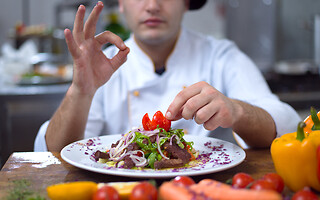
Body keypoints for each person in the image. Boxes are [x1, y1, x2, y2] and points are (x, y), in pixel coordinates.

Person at [34, 0, 300, 152]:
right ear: (122, 5)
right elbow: (53, 154)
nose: (152, 6)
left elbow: (285, 125)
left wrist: (237, 110)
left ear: (186, 3)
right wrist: (80, 90)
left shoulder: (220, 56)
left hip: (203, 198)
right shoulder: (101, 62)